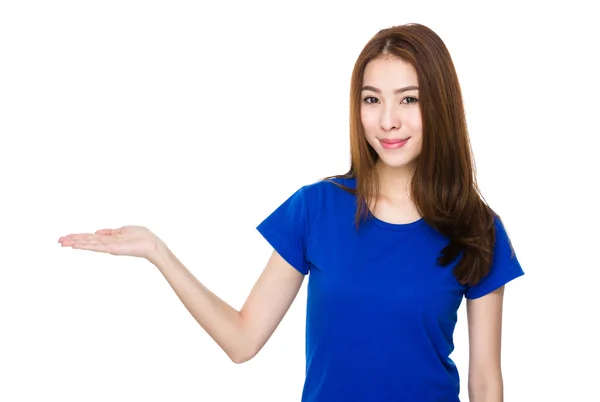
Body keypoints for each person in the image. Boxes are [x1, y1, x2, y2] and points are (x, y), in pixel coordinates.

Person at [58, 23, 524, 401]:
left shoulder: (478, 229)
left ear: (438, 105)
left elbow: (485, 382)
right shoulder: (317, 208)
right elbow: (242, 341)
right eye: (371, 99)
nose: (387, 121)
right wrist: (158, 252)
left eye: (409, 99)